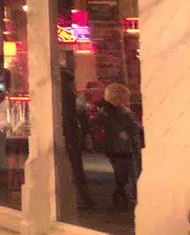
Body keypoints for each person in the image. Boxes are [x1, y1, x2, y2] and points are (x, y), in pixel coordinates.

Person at [57, 68, 95, 211]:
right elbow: (81, 116)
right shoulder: (72, 94)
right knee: (76, 168)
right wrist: (85, 134)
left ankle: (79, 198)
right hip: (73, 134)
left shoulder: (60, 94)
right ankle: (84, 197)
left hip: (66, 134)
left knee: (71, 167)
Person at [100, 83, 142, 211]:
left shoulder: (109, 112)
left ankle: (122, 196)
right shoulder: (116, 112)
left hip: (120, 149)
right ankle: (123, 196)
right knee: (127, 174)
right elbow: (129, 128)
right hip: (122, 149)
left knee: (124, 175)